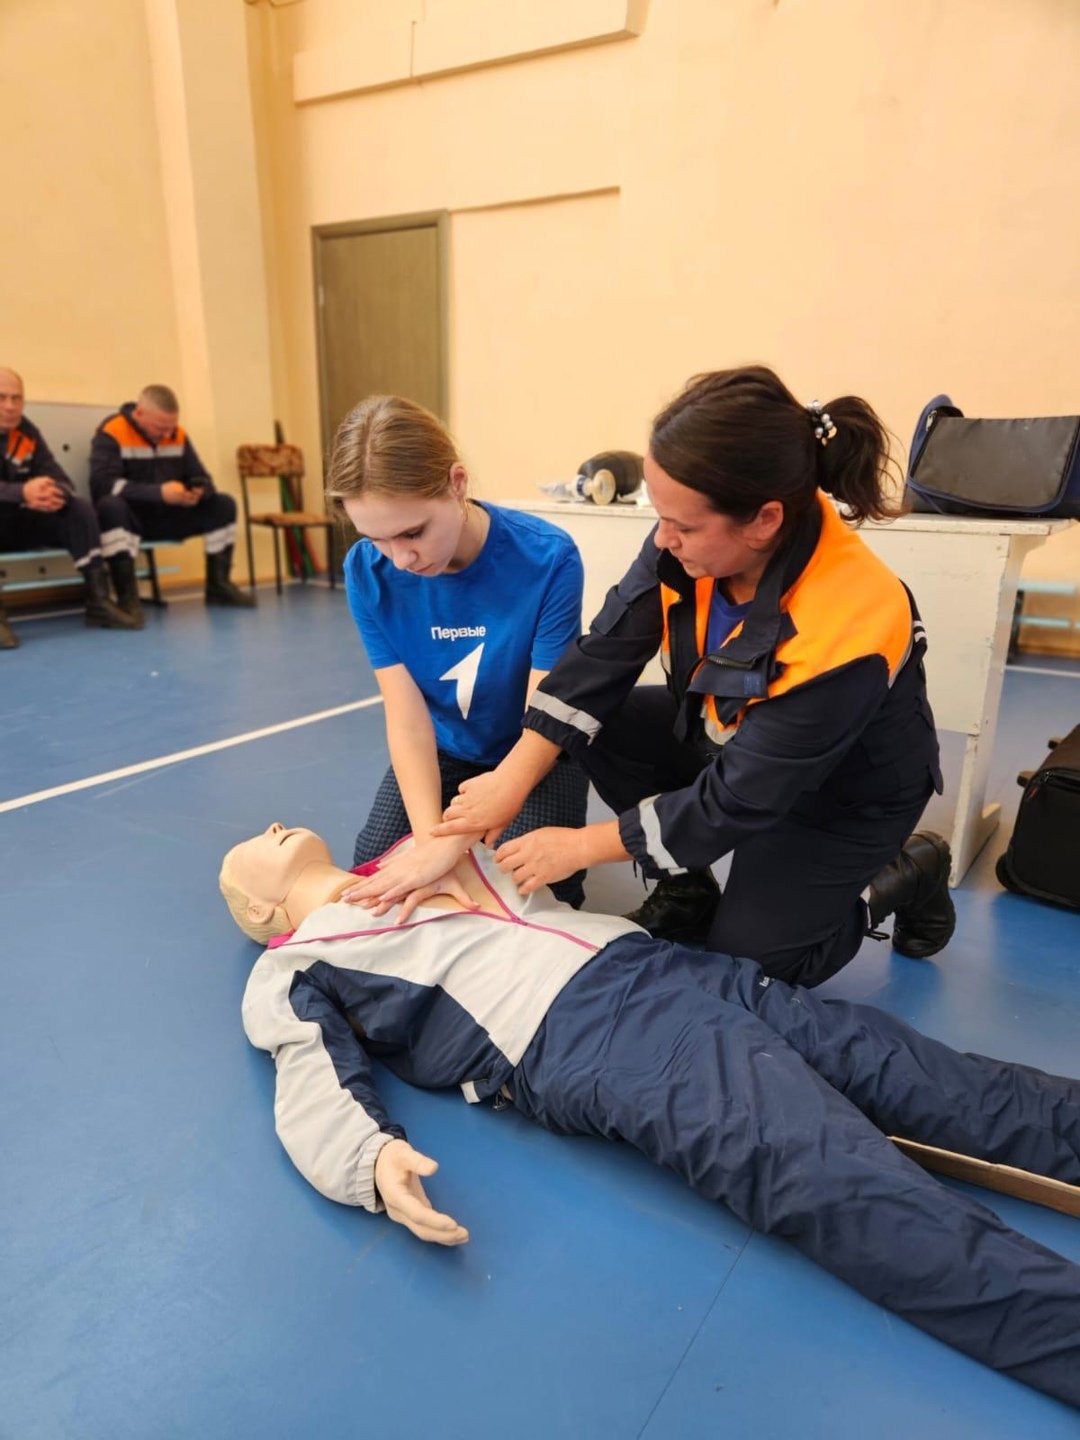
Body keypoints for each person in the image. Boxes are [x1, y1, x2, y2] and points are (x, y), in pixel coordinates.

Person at [220, 823, 1080, 1408]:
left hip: (668, 965)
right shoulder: (295, 963)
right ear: (258, 916)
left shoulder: (418, 853)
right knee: (824, 1173)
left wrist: (440, 843)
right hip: (590, 1036)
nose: (273, 825)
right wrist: (370, 1161)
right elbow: (311, 1076)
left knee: (935, 1079)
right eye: (251, 846)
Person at [436, 366, 954, 989]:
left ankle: (902, 874)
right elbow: (604, 653)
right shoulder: (700, 535)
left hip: (843, 797)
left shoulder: (848, 622)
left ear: (764, 520)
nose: (662, 539)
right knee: (606, 725)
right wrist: (510, 779)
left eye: (681, 525)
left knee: (751, 968)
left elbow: (739, 798)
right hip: (739, 744)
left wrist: (580, 848)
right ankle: (688, 892)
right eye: (660, 515)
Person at [324, 394, 589, 912]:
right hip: (445, 754)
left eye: (413, 532)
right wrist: (430, 844)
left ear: (457, 485)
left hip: (532, 754)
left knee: (531, 898)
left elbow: (543, 717)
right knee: (379, 881)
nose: (400, 560)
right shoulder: (365, 571)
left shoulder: (548, 558)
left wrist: (451, 845)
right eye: (377, 539)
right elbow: (407, 721)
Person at [89, 384, 255, 622]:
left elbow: (203, 478)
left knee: (223, 505)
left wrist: (197, 492)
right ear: (139, 414)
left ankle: (219, 587)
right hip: (131, 520)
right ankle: (128, 601)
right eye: (160, 428)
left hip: (170, 515)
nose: (167, 434)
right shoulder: (112, 432)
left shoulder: (177, 434)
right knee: (110, 506)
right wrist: (158, 493)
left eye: (171, 427)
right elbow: (101, 485)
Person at [0, 366, 137, 648]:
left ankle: (98, 601)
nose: (10, 406)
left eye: (17, 398)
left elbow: (61, 478)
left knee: (77, 507)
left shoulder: (26, 432)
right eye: (1, 398)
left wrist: (51, 492)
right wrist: (21, 492)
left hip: (20, 520)